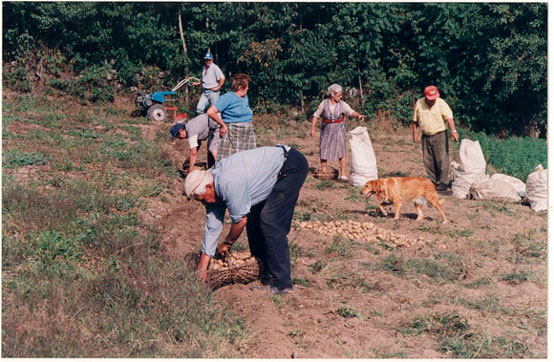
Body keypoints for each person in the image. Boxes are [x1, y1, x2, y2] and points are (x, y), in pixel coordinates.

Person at [184, 145, 309, 295]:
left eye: (202, 200)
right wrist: (202, 269)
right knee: (254, 220)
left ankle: (281, 283)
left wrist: (227, 243)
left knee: (270, 222)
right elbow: (212, 227)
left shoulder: (228, 182)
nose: (204, 204)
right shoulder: (212, 186)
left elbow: (239, 222)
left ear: (210, 187)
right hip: (272, 173)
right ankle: (264, 271)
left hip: (290, 167)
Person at [310, 84, 366, 181]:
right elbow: (316, 115)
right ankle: (324, 171)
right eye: (339, 95)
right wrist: (313, 129)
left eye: (341, 95)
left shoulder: (342, 104)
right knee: (324, 149)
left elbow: (351, 111)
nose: (341, 97)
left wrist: (358, 115)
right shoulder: (324, 103)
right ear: (332, 94)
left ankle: (343, 174)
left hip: (339, 129)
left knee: (341, 150)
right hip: (326, 129)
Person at [412, 85, 459, 193]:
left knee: (442, 159)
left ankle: (442, 183)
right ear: (426, 97)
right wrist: (415, 133)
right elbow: (415, 120)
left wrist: (453, 131)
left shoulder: (441, 103)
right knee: (428, 160)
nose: (432, 101)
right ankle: (433, 182)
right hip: (425, 136)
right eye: (430, 99)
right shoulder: (419, 103)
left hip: (439, 135)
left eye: (434, 99)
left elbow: (449, 117)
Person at [207, 73, 257, 162]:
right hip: (233, 133)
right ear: (240, 87)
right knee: (232, 161)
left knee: (248, 160)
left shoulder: (245, 97)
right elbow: (211, 112)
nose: (248, 88)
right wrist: (222, 125)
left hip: (247, 132)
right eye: (247, 86)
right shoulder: (228, 97)